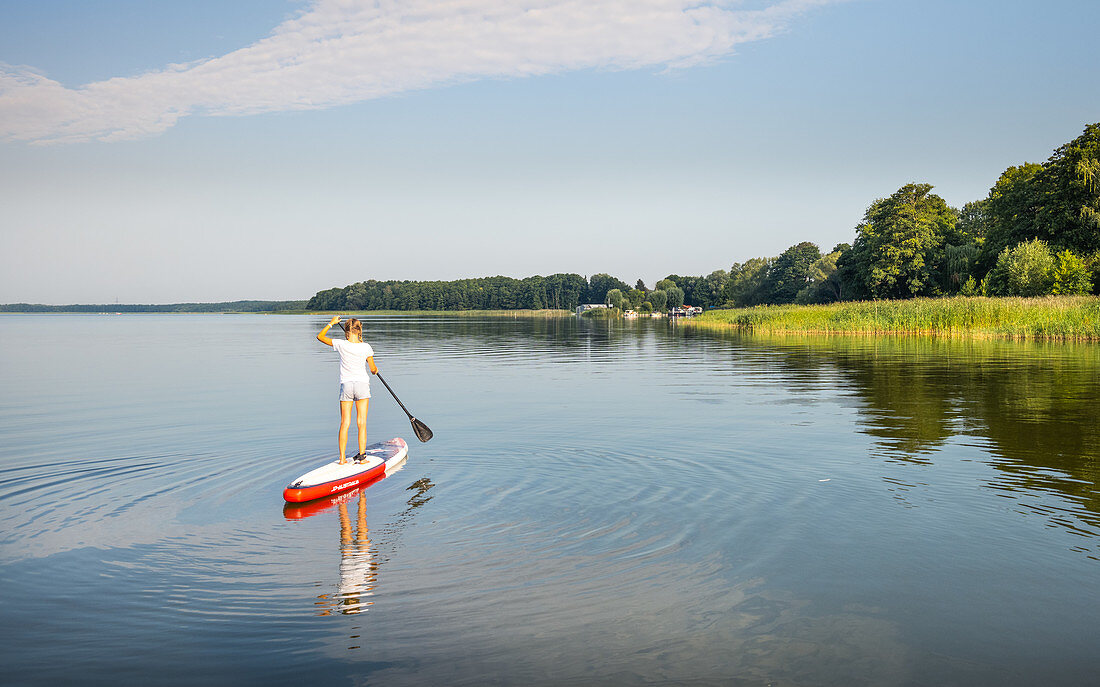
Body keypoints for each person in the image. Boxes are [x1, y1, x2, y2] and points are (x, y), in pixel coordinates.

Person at [317, 316, 379, 464]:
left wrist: (331, 323)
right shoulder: (366, 347)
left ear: (346, 330)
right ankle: (362, 458)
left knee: (345, 423)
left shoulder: (340, 344)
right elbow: (373, 369)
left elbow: (320, 337)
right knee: (361, 422)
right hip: (362, 385)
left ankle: (342, 458)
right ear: (359, 330)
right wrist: (375, 370)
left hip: (346, 385)